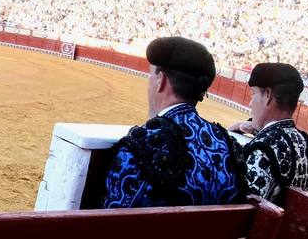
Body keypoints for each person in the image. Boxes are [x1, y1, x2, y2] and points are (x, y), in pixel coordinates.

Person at [102, 37, 244, 208]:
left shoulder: (143, 144)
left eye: (151, 75)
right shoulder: (228, 145)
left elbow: (112, 224)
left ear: (160, 80)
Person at [227, 62, 308, 205]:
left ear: (268, 95)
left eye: (253, 94)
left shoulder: (263, 148)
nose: (250, 103)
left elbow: (241, 208)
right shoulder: (305, 142)